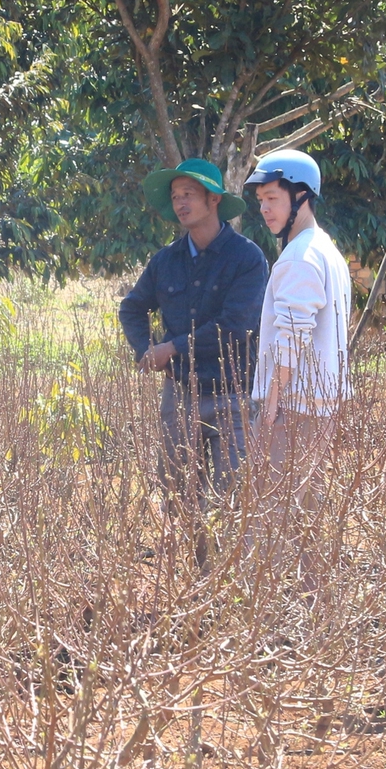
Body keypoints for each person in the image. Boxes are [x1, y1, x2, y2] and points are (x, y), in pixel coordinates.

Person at [118, 157, 270, 525]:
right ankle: (187, 577)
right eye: (174, 197)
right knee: (178, 496)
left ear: (214, 199)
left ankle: (223, 579)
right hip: (180, 394)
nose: (181, 203)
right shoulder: (165, 261)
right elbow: (132, 309)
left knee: (229, 500)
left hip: (232, 394)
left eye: (189, 194)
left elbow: (236, 325)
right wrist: (147, 351)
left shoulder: (247, 258)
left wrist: (172, 347)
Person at [243, 148, 351, 583]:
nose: (265, 208)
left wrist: (270, 406)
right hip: (320, 405)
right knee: (308, 518)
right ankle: (316, 620)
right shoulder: (327, 251)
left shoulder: (301, 256)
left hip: (293, 406)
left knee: (266, 517)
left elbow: (293, 336)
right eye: (261, 200)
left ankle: (257, 624)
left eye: (273, 197)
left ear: (301, 196)